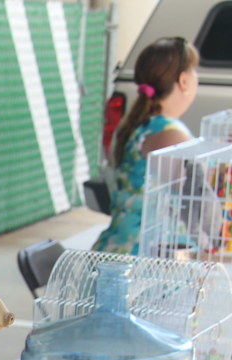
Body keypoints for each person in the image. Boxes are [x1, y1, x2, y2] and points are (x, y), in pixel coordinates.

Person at [92, 37, 200, 254]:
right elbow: (195, 199)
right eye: (194, 71)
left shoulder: (137, 125)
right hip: (146, 255)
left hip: (120, 245)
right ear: (184, 81)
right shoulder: (170, 135)